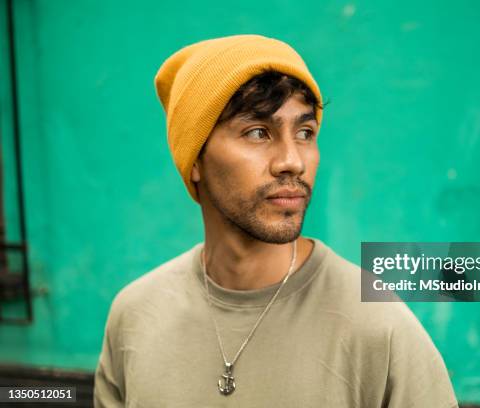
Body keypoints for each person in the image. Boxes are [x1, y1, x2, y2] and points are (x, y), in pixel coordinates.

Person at [94, 34, 458, 407]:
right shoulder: (135, 316)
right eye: (257, 132)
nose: (293, 161)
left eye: (305, 133)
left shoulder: (380, 327)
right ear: (196, 160)